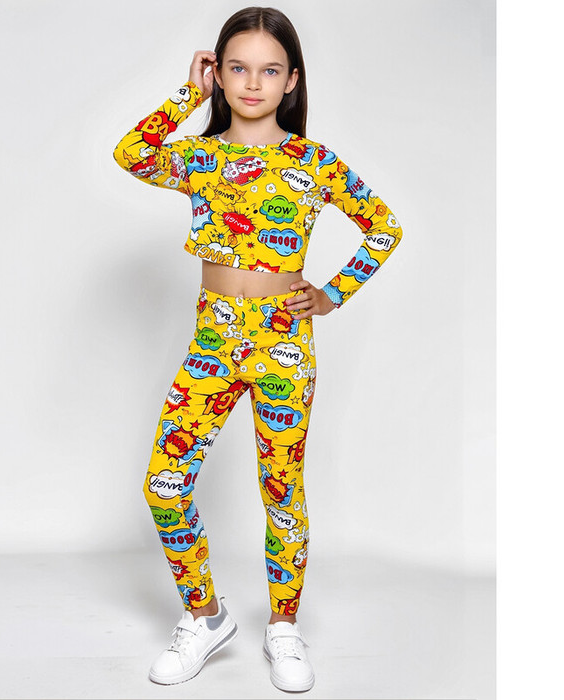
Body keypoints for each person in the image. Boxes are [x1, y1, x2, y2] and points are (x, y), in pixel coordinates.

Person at [112, 6, 403, 693]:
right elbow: (131, 154)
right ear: (218, 74)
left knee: (282, 493)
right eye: (237, 68)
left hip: (283, 344)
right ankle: (205, 617)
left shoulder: (314, 162)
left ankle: (283, 627)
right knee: (164, 482)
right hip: (213, 338)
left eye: (269, 70)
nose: (251, 83)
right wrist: (187, 96)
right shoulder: (199, 158)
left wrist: (332, 294)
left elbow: (384, 227)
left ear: (291, 80)